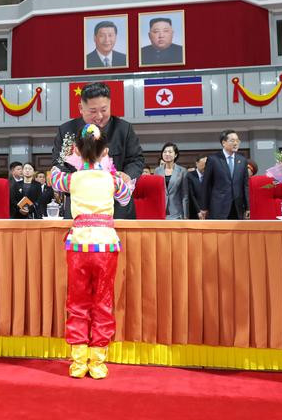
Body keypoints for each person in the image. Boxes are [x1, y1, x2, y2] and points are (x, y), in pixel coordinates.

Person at [49, 124, 133, 379]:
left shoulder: (71, 178)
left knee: (77, 301)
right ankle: (97, 361)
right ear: (105, 151)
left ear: (77, 150)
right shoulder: (113, 179)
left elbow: (54, 176)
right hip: (106, 245)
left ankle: (78, 361)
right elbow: (126, 198)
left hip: (78, 246)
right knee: (103, 300)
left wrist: (59, 162)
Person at [52, 82, 144, 219]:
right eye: (93, 111)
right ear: (81, 108)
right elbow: (59, 164)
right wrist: (80, 182)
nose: (99, 116)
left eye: (104, 110)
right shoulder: (67, 131)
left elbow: (136, 160)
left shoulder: (124, 129)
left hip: (117, 209)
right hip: (79, 209)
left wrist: (127, 176)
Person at [199, 130, 249, 220]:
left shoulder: (242, 160)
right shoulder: (213, 159)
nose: (236, 143)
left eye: (237, 141)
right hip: (218, 207)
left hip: (237, 207)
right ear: (223, 143)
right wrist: (203, 207)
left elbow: (245, 185)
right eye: (232, 140)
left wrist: (247, 207)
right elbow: (206, 185)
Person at [153, 142, 189, 219]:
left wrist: (185, 216)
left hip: (177, 212)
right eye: (165, 152)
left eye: (170, 152)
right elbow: (155, 193)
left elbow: (184, 195)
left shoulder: (182, 171)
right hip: (160, 210)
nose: (167, 154)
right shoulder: (157, 171)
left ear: (175, 155)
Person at [187, 155, 206, 220]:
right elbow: (191, 195)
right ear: (197, 163)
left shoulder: (210, 175)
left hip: (207, 211)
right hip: (195, 211)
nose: (205, 166)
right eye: (203, 164)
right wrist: (198, 211)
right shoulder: (190, 175)